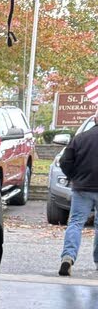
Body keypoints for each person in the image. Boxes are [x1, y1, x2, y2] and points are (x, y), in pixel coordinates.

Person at [59, 117, 98, 276]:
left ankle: (68, 257)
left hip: (82, 187)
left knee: (75, 223)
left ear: (95, 119)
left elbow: (64, 161)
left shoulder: (80, 138)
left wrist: (74, 176)